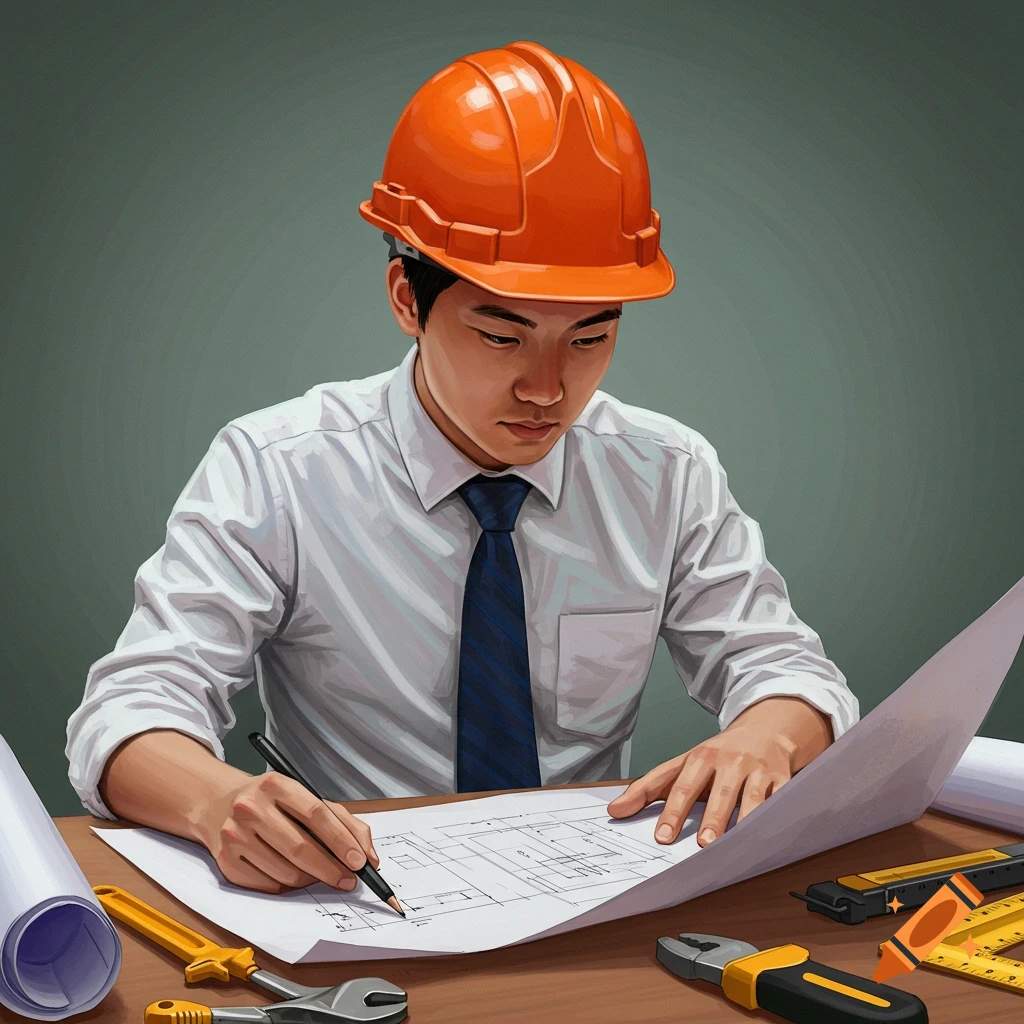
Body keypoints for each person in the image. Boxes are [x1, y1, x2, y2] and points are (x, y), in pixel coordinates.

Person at [66, 41, 858, 897]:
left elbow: (790, 674)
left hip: (588, 904)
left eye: (591, 336)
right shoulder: (279, 469)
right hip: (361, 906)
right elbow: (130, 710)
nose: (549, 389)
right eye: (501, 335)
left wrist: (767, 736)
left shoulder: (665, 472)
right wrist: (218, 802)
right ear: (408, 299)